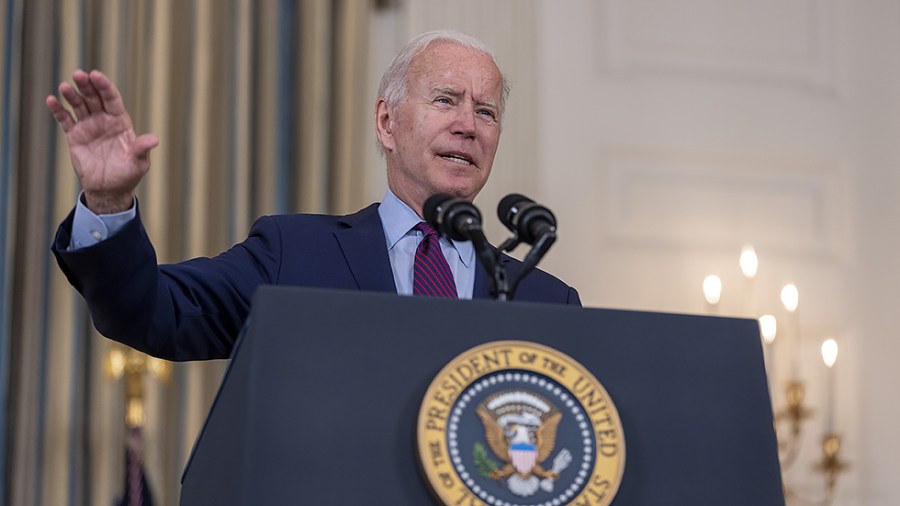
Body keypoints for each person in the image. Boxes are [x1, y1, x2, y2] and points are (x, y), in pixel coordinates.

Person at [46, 30, 580, 361]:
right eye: (446, 100)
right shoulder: (293, 253)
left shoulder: (547, 300)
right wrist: (109, 203)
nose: (468, 124)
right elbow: (151, 313)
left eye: (486, 112)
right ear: (386, 121)